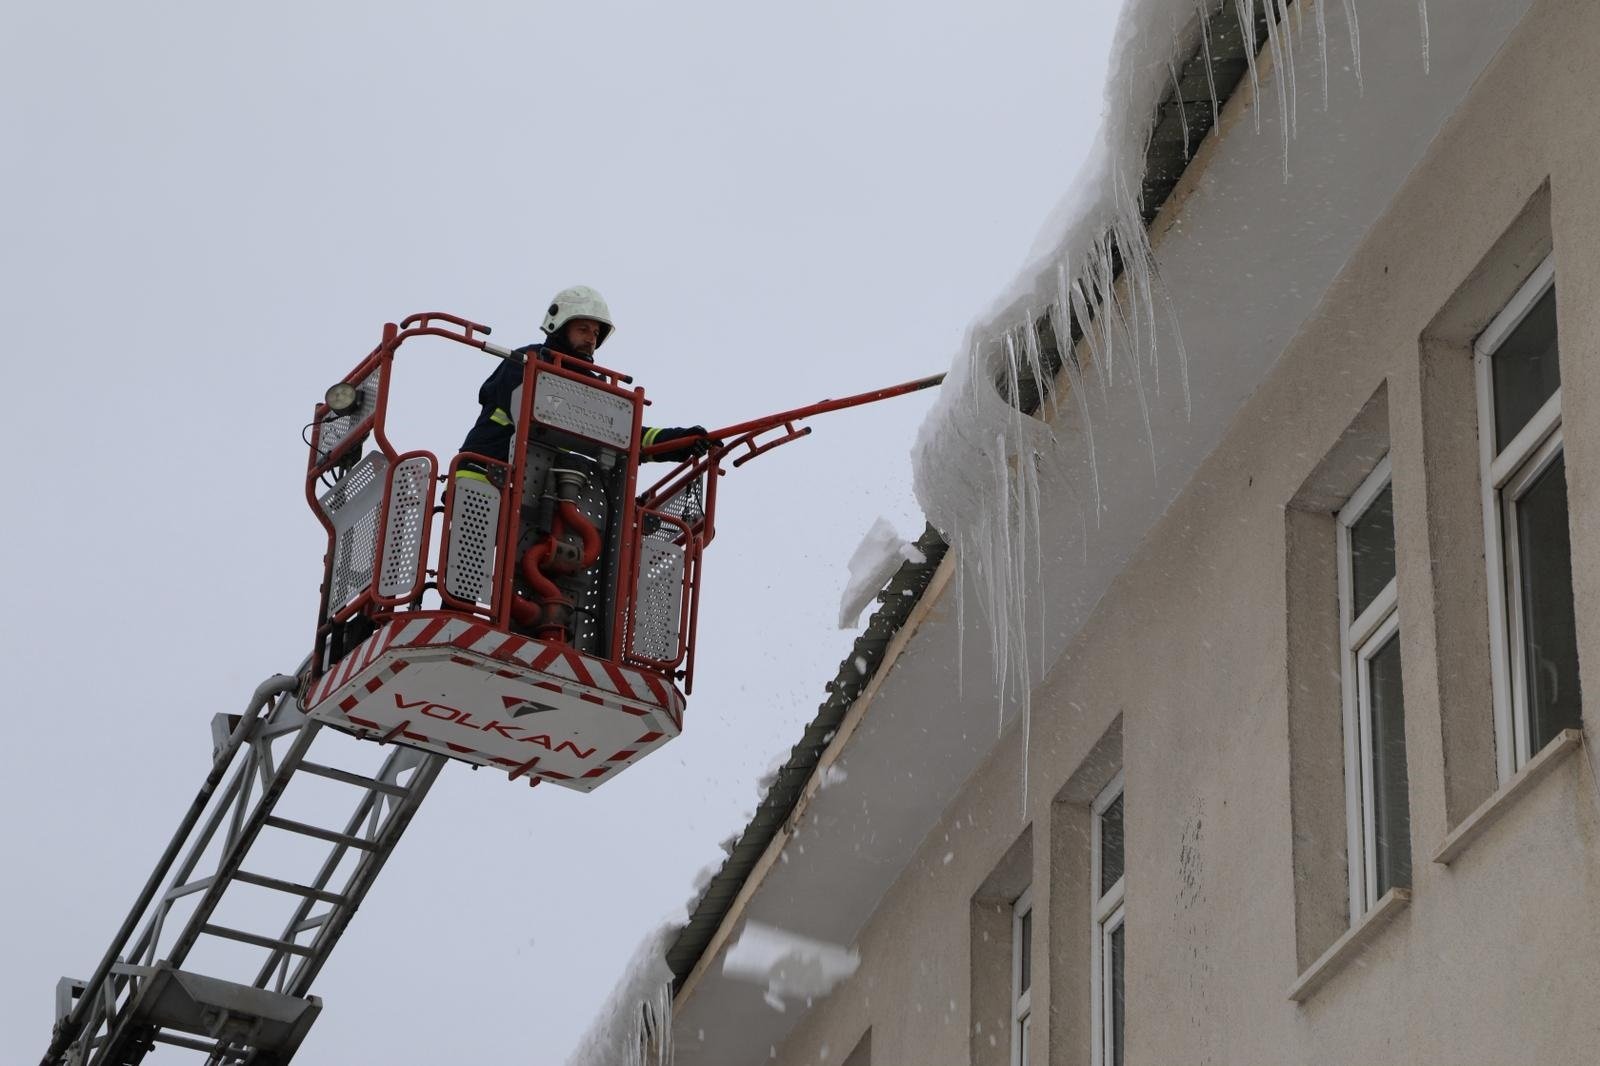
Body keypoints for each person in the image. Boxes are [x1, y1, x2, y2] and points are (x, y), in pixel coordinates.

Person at [459, 285, 714, 469]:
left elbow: (624, 434)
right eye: (583, 329)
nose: (591, 339)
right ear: (558, 327)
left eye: (595, 333)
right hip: (483, 472)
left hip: (536, 489)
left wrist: (681, 441)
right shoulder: (527, 361)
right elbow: (533, 408)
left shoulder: (594, 383)